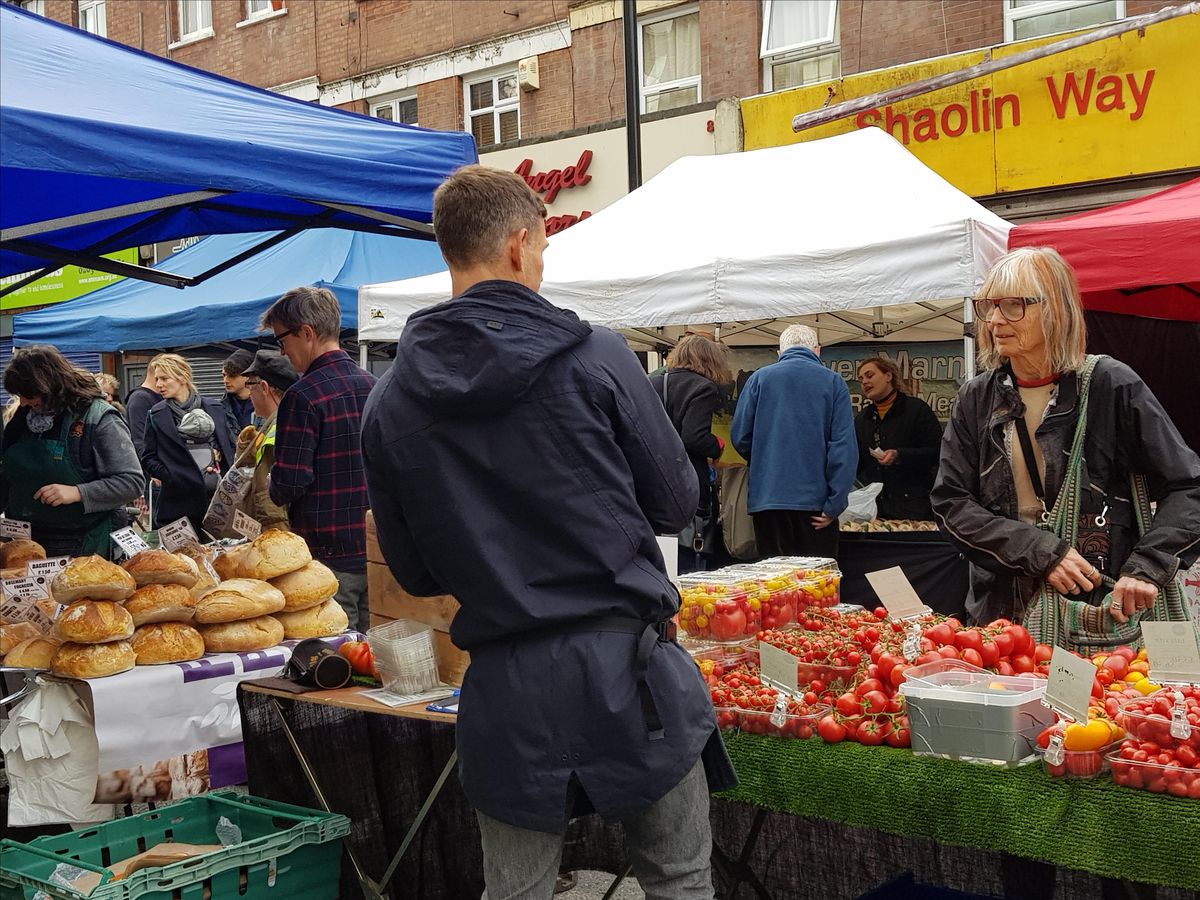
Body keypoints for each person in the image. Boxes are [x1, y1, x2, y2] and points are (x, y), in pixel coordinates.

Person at [361, 165, 733, 899]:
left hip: (506, 684)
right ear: (520, 244)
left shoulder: (390, 402)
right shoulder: (597, 355)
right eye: (543, 249)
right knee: (680, 881)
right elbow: (674, 500)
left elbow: (415, 570)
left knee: (518, 894)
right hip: (628, 673)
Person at [931, 246, 1200, 633]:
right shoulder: (977, 397)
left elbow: (1188, 486)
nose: (994, 320)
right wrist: (1042, 551)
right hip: (1003, 613)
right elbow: (950, 503)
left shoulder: (1111, 383)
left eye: (1013, 305)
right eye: (988, 306)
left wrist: (1147, 568)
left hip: (1095, 610)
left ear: (1055, 309)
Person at [261, 286, 376, 630]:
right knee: (376, 658)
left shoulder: (302, 396)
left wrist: (272, 482)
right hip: (376, 548)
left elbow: (290, 482)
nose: (282, 352)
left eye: (282, 340)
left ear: (306, 333)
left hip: (326, 555)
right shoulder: (374, 384)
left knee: (336, 658)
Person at [1, 345, 144, 558]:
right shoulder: (23, 418)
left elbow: (131, 482)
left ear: (49, 386)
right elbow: (9, 475)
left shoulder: (98, 418)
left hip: (83, 544)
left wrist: (77, 492)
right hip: (25, 543)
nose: (23, 402)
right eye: (19, 395)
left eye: (28, 395)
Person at [730, 324, 856, 559]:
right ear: (817, 351)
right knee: (816, 587)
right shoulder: (833, 382)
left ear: (779, 353)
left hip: (768, 501)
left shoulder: (759, 379)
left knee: (775, 586)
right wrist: (835, 504)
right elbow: (843, 447)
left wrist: (765, 459)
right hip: (815, 505)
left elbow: (739, 436)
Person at [649, 334, 731, 573]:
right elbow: (693, 437)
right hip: (687, 482)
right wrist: (717, 446)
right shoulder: (702, 387)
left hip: (652, 481)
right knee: (691, 557)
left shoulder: (654, 381)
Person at [140, 353, 235, 534]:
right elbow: (147, 457)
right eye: (157, 379)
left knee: (220, 559)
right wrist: (171, 476)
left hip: (216, 504)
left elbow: (229, 447)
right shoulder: (156, 414)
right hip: (176, 505)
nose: (159, 384)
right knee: (180, 561)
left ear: (183, 377)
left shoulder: (215, 407)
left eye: (164, 378)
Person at [854, 356, 944, 520]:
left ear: (889, 376)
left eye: (869, 375)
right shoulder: (862, 419)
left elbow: (939, 452)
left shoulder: (917, 410)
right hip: (874, 509)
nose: (864, 382)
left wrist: (900, 455)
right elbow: (857, 461)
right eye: (861, 379)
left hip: (914, 508)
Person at [232, 350, 297, 532]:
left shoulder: (283, 427)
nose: (248, 392)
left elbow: (273, 503)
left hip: (279, 534)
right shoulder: (275, 424)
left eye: (249, 385)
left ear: (265, 388)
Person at [220, 349, 257, 436]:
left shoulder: (265, 404)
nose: (225, 380)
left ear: (248, 376)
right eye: (224, 375)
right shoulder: (220, 407)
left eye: (232, 375)